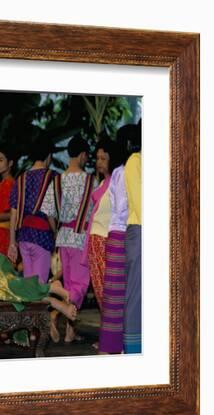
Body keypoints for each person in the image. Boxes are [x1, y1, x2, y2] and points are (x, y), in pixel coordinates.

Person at [41, 134, 97, 343]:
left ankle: (69, 330)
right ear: (83, 155)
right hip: (81, 238)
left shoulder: (58, 180)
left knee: (71, 283)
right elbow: (95, 211)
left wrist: (57, 231)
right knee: (80, 286)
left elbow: (49, 213)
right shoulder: (90, 180)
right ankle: (55, 313)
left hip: (63, 236)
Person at [83, 138, 125, 350]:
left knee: (109, 292)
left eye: (103, 158)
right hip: (94, 241)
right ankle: (108, 335)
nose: (99, 162)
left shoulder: (117, 182)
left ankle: (115, 336)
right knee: (100, 291)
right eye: (97, 158)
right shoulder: (101, 184)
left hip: (107, 240)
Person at [97, 133, 130, 354]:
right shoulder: (123, 172)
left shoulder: (118, 172)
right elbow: (122, 209)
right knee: (118, 296)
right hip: (121, 233)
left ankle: (110, 346)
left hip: (114, 235)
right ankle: (111, 346)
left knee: (114, 295)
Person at [8, 136, 57, 283]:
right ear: (48, 156)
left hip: (23, 236)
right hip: (42, 235)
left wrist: (12, 242)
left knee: (29, 283)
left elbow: (14, 213)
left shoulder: (21, 178)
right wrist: (56, 233)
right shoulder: (52, 177)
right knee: (40, 284)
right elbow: (50, 211)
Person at [120, 123, 142, 354]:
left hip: (151, 231)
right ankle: (134, 350)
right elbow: (139, 201)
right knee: (136, 295)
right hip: (141, 229)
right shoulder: (135, 160)